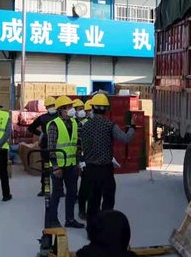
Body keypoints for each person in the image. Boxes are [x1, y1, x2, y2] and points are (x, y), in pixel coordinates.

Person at [80, 93, 134, 223]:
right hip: (105, 171)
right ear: (106, 109)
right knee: (108, 200)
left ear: (92, 107)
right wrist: (132, 128)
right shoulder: (110, 126)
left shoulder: (85, 126)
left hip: (90, 169)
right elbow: (125, 139)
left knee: (93, 201)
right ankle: (105, 226)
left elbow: (81, 145)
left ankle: (91, 231)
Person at [45, 95, 84, 229]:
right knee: (56, 193)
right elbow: (51, 147)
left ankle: (70, 219)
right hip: (58, 166)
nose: (72, 109)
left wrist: (79, 163)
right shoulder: (54, 125)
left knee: (72, 193)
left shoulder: (75, 123)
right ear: (61, 110)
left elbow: (78, 145)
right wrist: (55, 166)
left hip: (72, 165)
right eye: (69, 107)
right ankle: (53, 220)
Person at [28, 96, 58, 197]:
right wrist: (40, 134)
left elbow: (31, 128)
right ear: (46, 107)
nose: (51, 107)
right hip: (47, 146)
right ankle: (46, 189)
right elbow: (31, 128)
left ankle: (56, 190)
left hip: (56, 146)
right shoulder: (43, 118)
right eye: (49, 106)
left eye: (53, 105)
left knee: (56, 169)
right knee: (46, 169)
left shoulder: (59, 116)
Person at [75, 98, 91, 220]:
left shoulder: (89, 122)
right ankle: (82, 210)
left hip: (93, 159)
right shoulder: (79, 124)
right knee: (84, 186)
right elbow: (78, 143)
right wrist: (81, 159)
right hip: (84, 158)